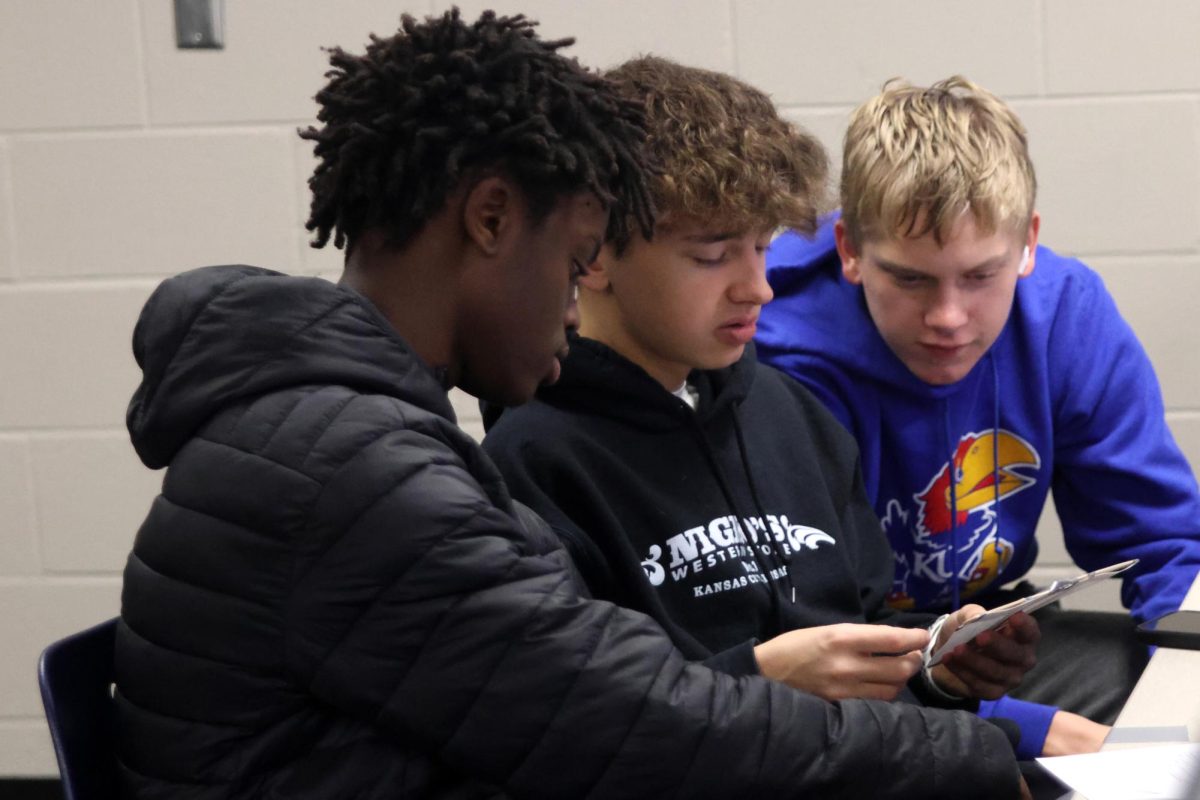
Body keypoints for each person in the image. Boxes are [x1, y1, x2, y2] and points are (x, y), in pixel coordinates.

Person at [113, 13, 1029, 800]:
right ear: (490, 220)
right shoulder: (355, 469)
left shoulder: (349, 433)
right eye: (573, 255)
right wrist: (979, 759)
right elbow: (640, 729)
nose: (572, 298)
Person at [483, 55, 1044, 762]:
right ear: (592, 256)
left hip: (875, 764)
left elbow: (868, 628)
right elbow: (574, 731)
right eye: (714, 255)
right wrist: (762, 676)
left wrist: (941, 665)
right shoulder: (533, 464)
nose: (758, 289)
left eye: (761, 248)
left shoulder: (789, 413)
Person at [756, 75, 1200, 736]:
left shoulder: (1065, 319)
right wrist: (1021, 730)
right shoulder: (773, 359)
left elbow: (1167, 544)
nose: (949, 317)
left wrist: (1186, 684)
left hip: (988, 639)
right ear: (850, 250)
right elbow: (807, 647)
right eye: (909, 278)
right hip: (839, 670)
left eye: (981, 276)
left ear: (1027, 243)